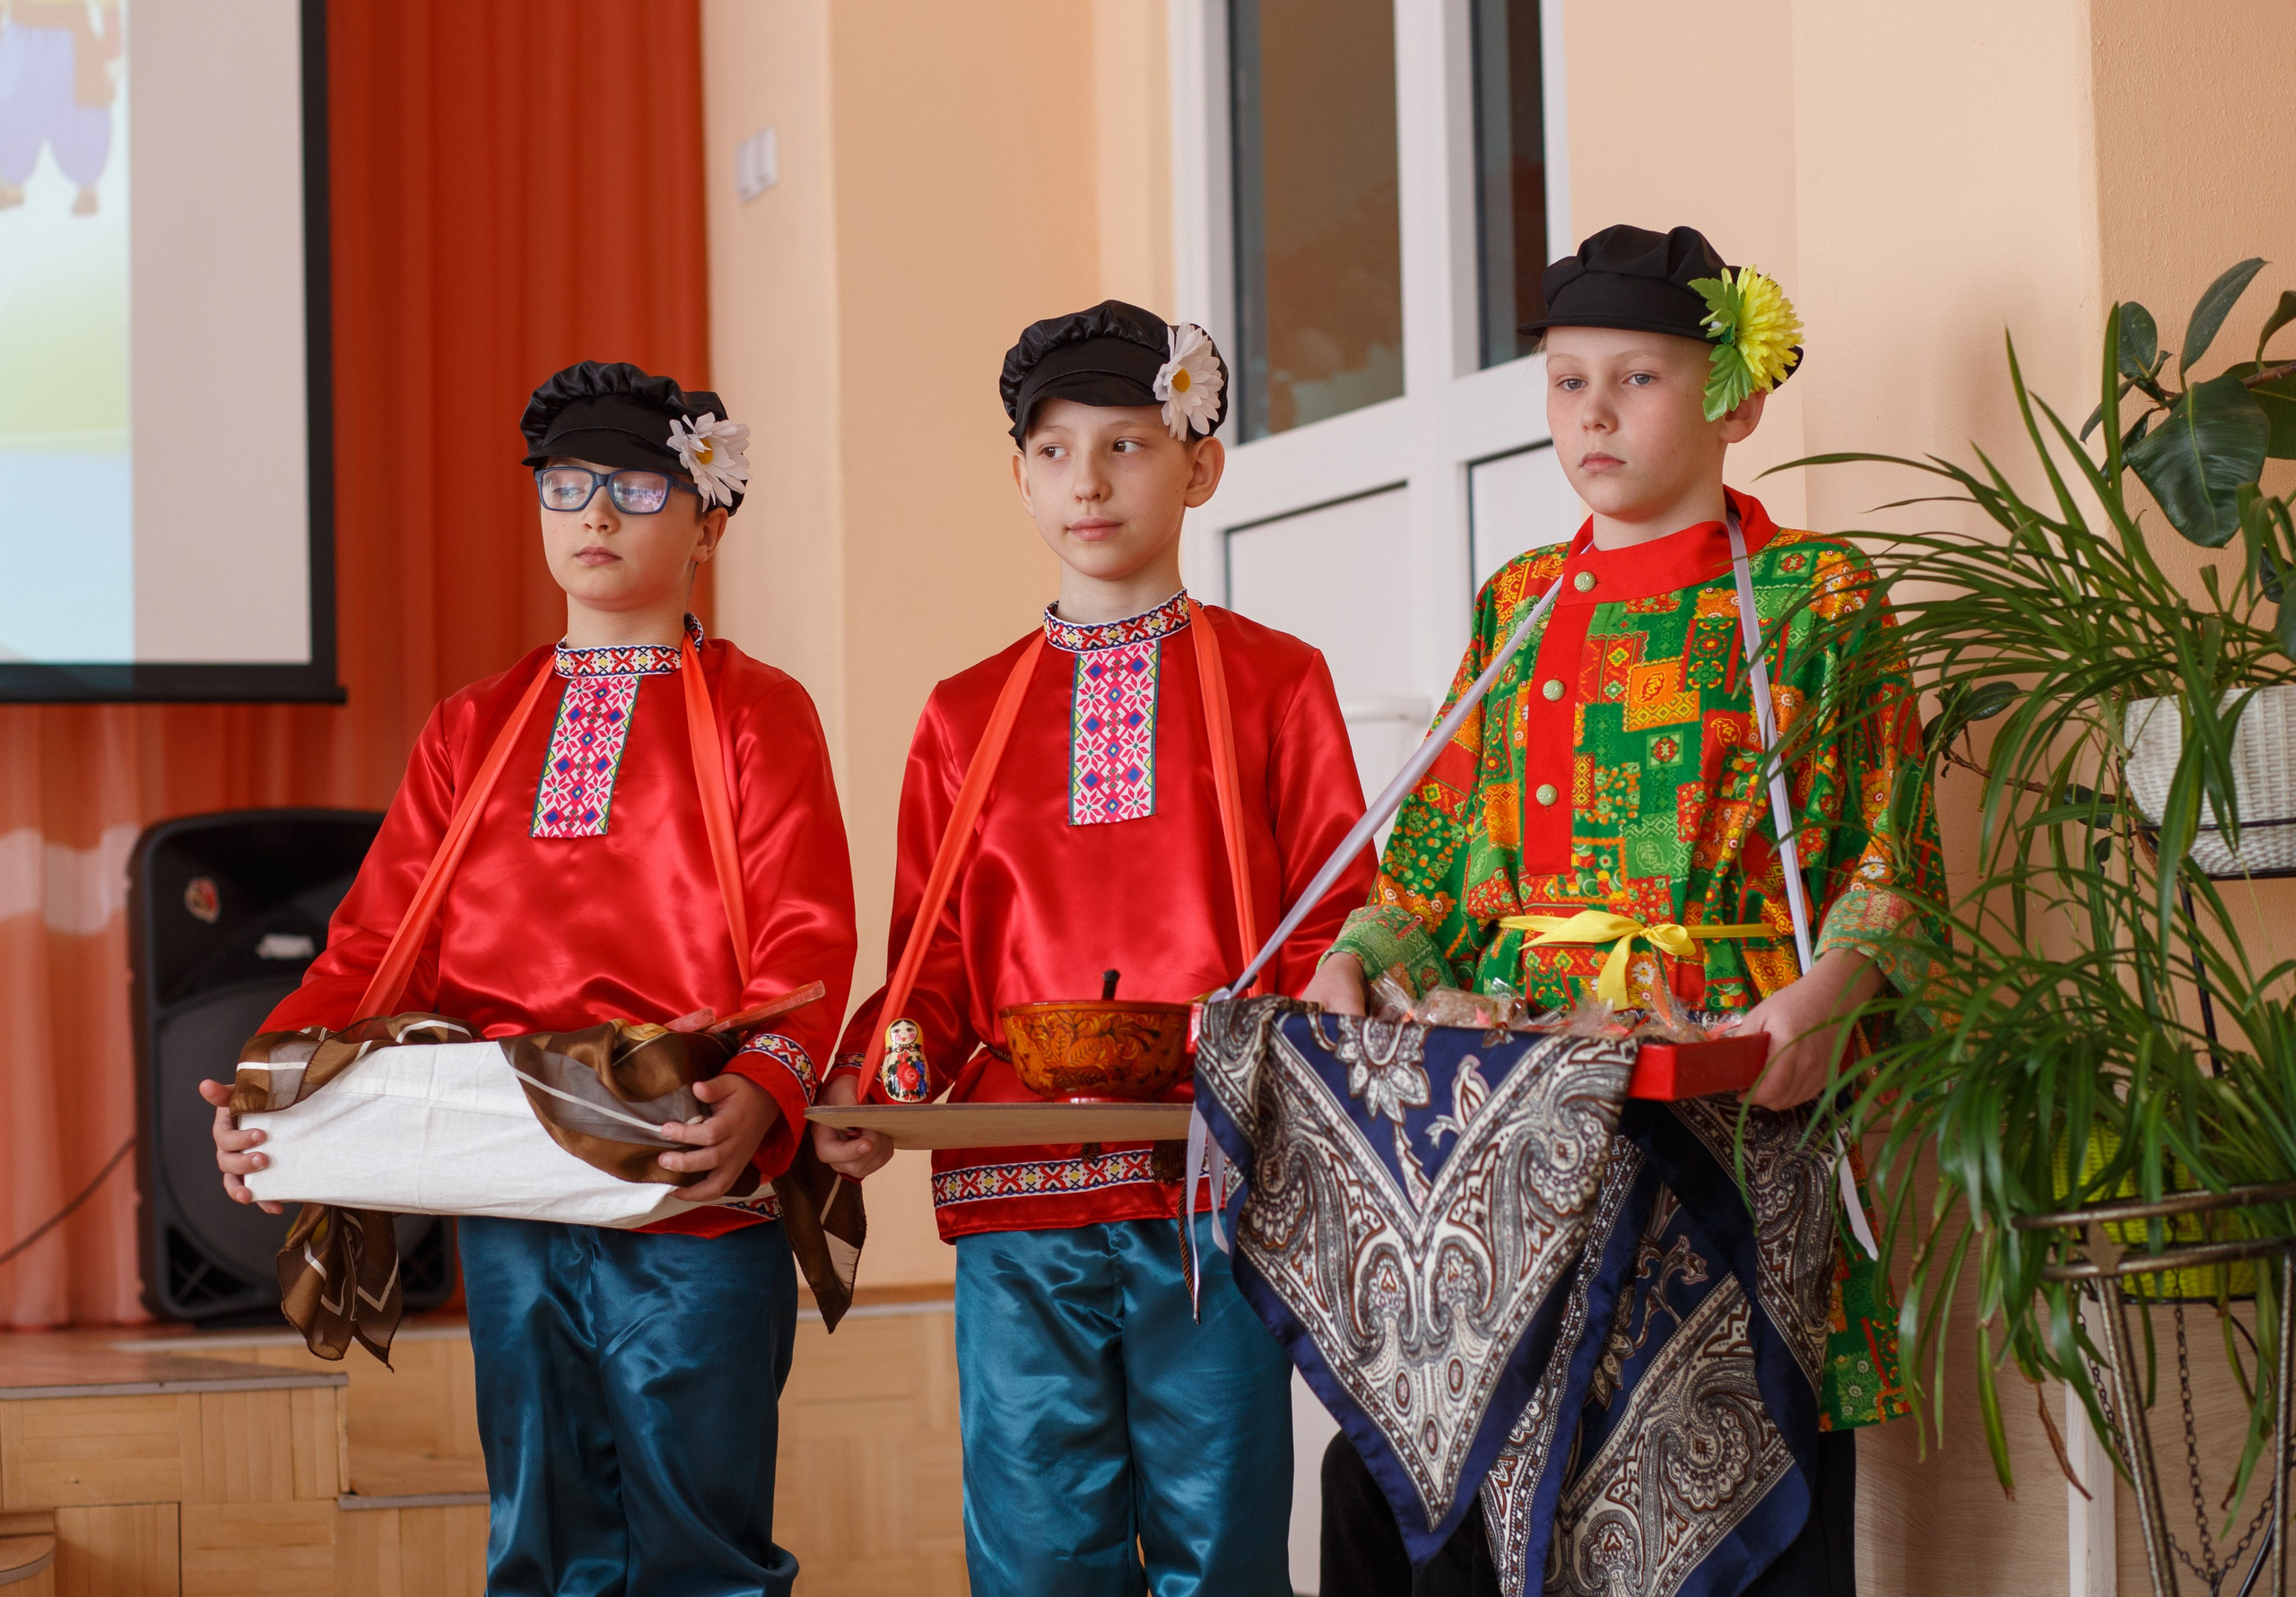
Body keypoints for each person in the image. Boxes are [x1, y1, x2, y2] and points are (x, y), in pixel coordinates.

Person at [1302, 225, 1940, 1595]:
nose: (1593, 412)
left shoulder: (1814, 598)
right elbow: (1426, 871)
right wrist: (1355, 958)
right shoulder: (1521, 610)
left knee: (1744, 1477)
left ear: (1736, 400)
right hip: (1529, 1139)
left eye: (1638, 377)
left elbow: (1891, 869)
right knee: (1423, 1479)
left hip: (1735, 1106)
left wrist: (1822, 1005)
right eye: (1565, 378)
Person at [203, 361, 857, 1597]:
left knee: (701, 1545)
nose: (595, 512)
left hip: (691, 1184)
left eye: (633, 485)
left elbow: (809, 939)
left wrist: (769, 1088)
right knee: (540, 1536)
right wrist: (268, 1079)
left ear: (707, 521)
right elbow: (373, 945)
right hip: (509, 1191)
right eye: (566, 485)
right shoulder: (474, 724)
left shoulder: (761, 715)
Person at [811, 301, 1374, 1596]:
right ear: (1018, 477)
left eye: (1127, 445)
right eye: (1057, 452)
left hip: (1209, 1190)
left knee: (1223, 1546)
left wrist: (1340, 1008)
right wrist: (870, 1084)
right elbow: (934, 958)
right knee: (1035, 1556)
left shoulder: (1278, 680)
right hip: (1017, 1194)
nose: (1090, 482)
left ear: (1201, 466)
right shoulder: (964, 712)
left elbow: (1339, 903)